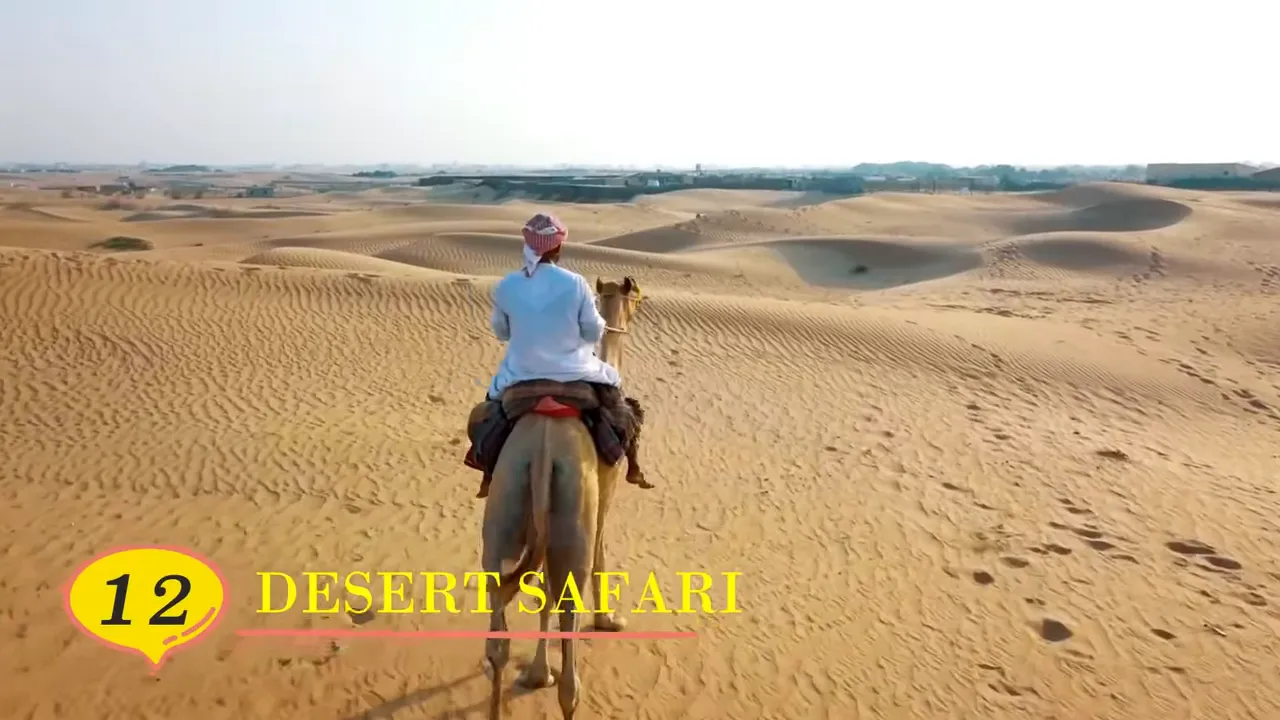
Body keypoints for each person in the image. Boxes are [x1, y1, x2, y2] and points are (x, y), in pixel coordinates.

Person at [464, 212, 649, 498]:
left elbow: (501, 332)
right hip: (576, 373)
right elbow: (591, 332)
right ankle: (630, 464)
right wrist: (595, 323)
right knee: (624, 409)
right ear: (558, 247)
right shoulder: (576, 283)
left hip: (520, 375)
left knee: (489, 413)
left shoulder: (509, 284)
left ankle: (488, 470)